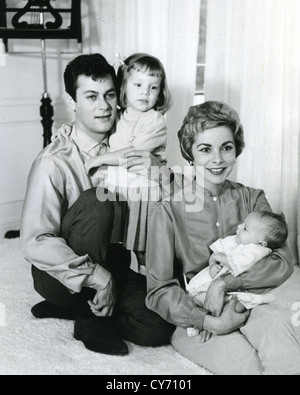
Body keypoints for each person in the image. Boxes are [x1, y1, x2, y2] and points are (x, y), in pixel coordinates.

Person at [20, 53, 174, 357]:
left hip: (112, 261)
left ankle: (80, 306)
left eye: (109, 95)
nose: (103, 106)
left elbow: (167, 201)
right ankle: (90, 317)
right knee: (98, 200)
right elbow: (34, 242)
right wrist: (98, 278)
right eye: (91, 96)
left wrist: (159, 170)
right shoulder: (54, 161)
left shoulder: (129, 139)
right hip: (59, 272)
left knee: (158, 324)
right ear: (72, 102)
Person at [145, 101, 298, 375]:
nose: (218, 159)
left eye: (226, 148)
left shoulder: (253, 198)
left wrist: (223, 285)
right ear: (189, 154)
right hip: (199, 317)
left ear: (236, 149)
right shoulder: (167, 210)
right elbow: (158, 290)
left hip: (251, 304)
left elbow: (282, 261)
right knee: (247, 365)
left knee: (285, 347)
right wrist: (207, 321)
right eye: (205, 149)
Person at [81, 53, 172, 269]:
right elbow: (91, 127)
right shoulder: (119, 115)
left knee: (142, 249)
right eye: (138, 84)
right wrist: (65, 130)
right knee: (114, 243)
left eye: (153, 87)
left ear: (160, 92)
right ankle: (119, 283)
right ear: (124, 87)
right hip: (117, 189)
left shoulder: (155, 120)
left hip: (143, 192)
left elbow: (133, 153)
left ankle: (152, 286)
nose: (145, 92)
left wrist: (97, 160)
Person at [185, 210, 288, 338]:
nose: (238, 227)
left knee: (234, 306)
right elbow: (216, 253)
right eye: (242, 223)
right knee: (194, 299)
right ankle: (201, 322)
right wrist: (213, 264)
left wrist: (221, 257)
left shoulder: (256, 251)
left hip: (236, 291)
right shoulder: (235, 240)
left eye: (245, 228)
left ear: (261, 242)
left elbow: (238, 263)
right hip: (214, 281)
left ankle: (207, 323)